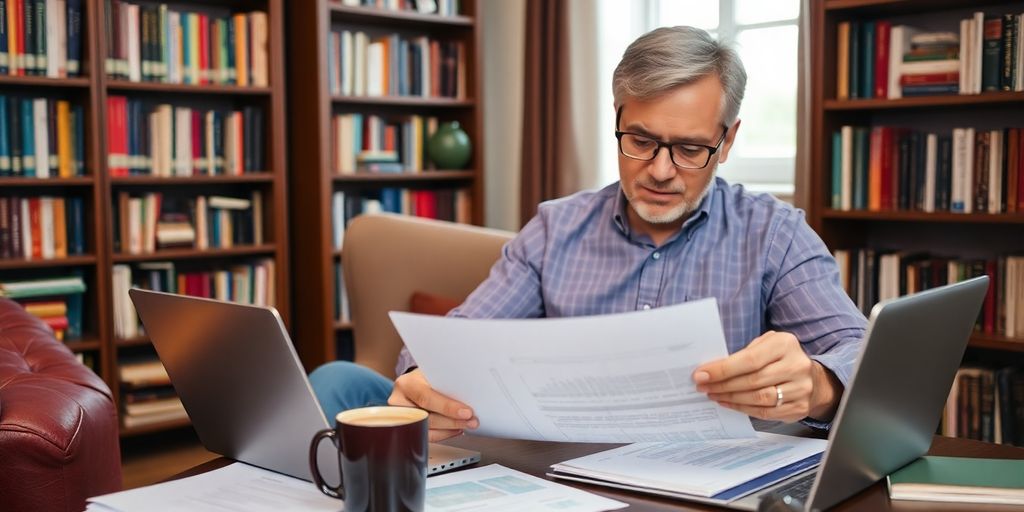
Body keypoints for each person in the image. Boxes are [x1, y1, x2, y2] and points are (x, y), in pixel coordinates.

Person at [310, 26, 867, 442]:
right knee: (337, 379)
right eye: (640, 140)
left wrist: (819, 386)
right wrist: (424, 380)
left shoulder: (774, 234)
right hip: (557, 472)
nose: (660, 170)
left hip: (700, 476)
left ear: (728, 140)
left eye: (691, 149)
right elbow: (456, 340)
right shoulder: (557, 228)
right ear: (617, 118)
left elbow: (861, 351)